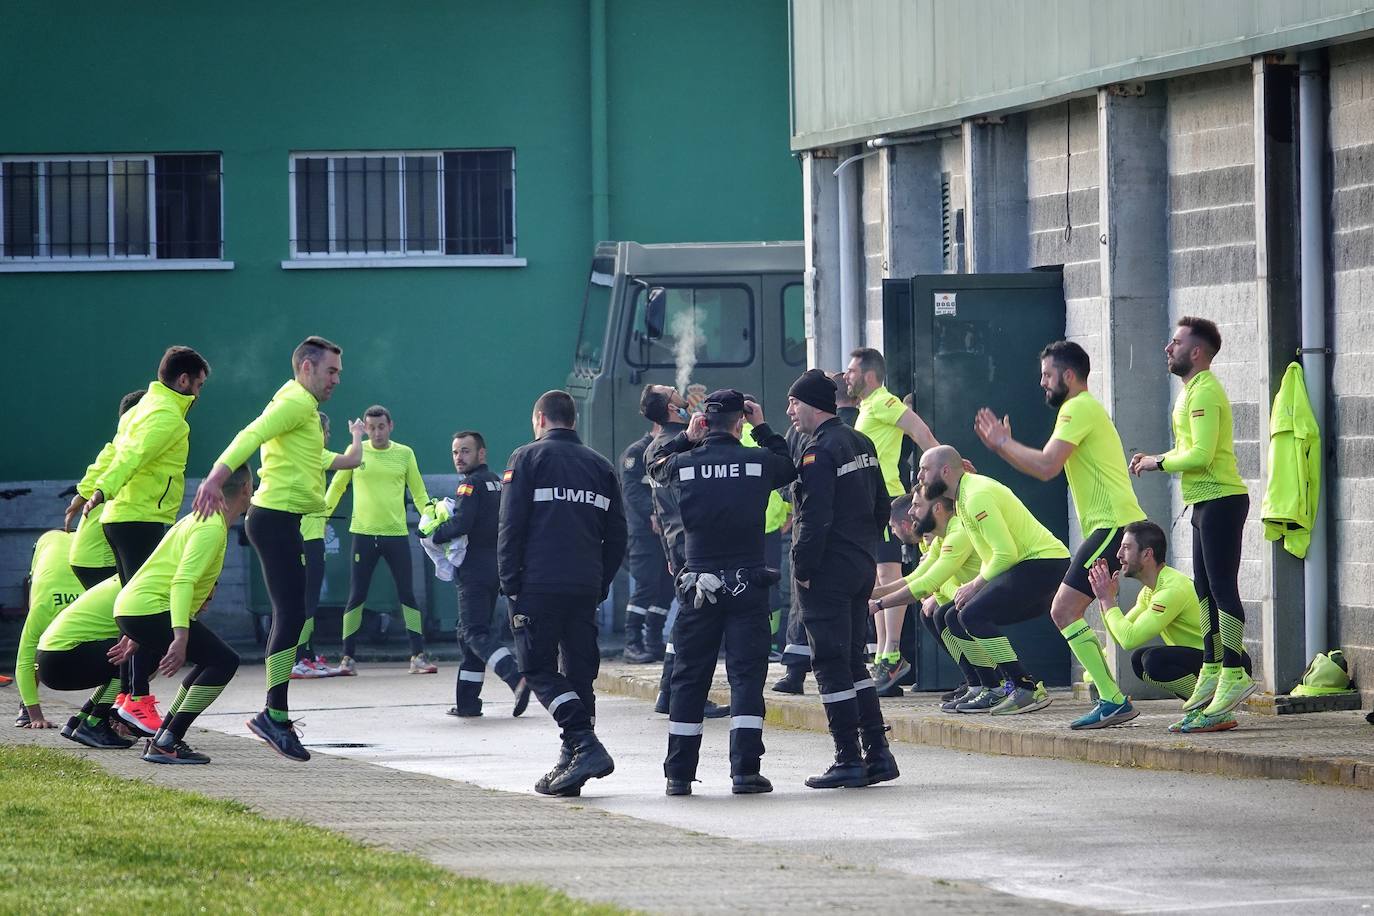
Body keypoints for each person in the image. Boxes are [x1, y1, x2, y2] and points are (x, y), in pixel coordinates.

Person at [974, 340, 1147, 730]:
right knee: (1067, 610)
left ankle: (1114, 699)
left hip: (1113, 524)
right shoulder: (1079, 409)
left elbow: (1047, 465)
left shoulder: (1077, 408)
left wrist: (1003, 444)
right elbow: (1045, 467)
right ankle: (1112, 698)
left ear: (1069, 376)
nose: (1042, 383)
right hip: (1111, 524)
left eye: (1047, 375)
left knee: (1062, 609)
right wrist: (1003, 448)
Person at [194, 335, 344, 762]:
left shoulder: (305, 407)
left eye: (338, 373)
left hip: (283, 520)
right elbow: (251, 434)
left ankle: (275, 714)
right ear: (307, 368)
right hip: (274, 519)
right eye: (330, 371)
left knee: (293, 614)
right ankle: (273, 715)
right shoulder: (296, 402)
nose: (336, 380)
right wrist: (213, 477)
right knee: (291, 614)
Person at [647, 390, 796, 796]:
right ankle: (745, 772)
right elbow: (789, 467)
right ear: (740, 421)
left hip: (699, 585)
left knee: (689, 678)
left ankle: (678, 775)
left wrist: (686, 439)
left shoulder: (685, 463)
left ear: (704, 422)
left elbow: (654, 466)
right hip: (747, 582)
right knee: (746, 677)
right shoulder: (757, 460)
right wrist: (763, 427)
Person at [499, 390, 627, 796]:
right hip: (584, 586)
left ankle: (584, 744)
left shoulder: (526, 459)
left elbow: (511, 526)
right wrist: (600, 581)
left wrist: (510, 585)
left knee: (536, 669)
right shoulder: (601, 466)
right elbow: (619, 535)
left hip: (537, 585)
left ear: (540, 419)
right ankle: (571, 761)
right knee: (578, 675)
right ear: (573, 420)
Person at [82, 347, 211, 737]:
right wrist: (100, 489)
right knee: (149, 612)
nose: (199, 394)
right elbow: (132, 456)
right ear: (183, 380)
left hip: (122, 518)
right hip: (141, 519)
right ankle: (136, 698)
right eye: (199, 385)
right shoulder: (168, 416)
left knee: (132, 612)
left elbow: (113, 450)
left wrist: (89, 488)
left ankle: (123, 700)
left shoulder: (141, 407)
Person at [1130, 317, 1255, 718]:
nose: (1168, 348)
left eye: (1176, 342)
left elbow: (1201, 455)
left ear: (1196, 352)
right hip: (1204, 503)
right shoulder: (1189, 392)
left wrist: (1156, 461)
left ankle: (1233, 672)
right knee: (1204, 591)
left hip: (1223, 500)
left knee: (1221, 590)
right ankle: (1212, 666)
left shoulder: (1204, 392)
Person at [786, 369, 899, 789]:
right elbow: (882, 506)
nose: (790, 411)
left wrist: (803, 569)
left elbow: (814, 517)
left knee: (831, 664)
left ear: (813, 404)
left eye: (794, 403)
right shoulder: (861, 442)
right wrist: (865, 549)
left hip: (828, 571)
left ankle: (847, 757)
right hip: (860, 564)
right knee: (854, 661)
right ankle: (878, 753)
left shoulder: (820, 452)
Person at [110, 464, 254, 763]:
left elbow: (157, 570)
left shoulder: (199, 519)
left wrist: (138, 632)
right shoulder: (210, 527)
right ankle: (167, 740)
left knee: (213, 659)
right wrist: (180, 636)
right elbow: (182, 581)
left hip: (135, 608)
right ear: (245, 489)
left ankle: (165, 737)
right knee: (225, 661)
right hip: (150, 608)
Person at [917, 445, 1070, 714]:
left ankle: (1025, 688)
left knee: (972, 613)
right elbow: (992, 555)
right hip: (1024, 566)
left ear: (944, 471)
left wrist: (975, 584)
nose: (920, 476)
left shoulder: (976, 496)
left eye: (924, 469)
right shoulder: (964, 496)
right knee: (955, 615)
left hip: (1044, 563)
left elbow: (1006, 553)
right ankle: (992, 688)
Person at [1088, 520, 1250, 733]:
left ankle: (1214, 711)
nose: (1118, 554)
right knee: (1140, 661)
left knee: (1153, 660)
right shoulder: (1150, 590)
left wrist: (1108, 601)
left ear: (1147, 554)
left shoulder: (1171, 590)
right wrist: (1105, 600)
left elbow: (1129, 638)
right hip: (1204, 664)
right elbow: (1122, 635)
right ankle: (1206, 710)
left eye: (1126, 548)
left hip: (1228, 663)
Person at [844, 348, 940, 694]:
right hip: (871, 504)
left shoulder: (884, 403)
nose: (847, 376)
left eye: (852, 371)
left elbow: (922, 434)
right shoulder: (868, 406)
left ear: (869, 375)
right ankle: (886, 656)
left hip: (885, 501)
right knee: (877, 575)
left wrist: (943, 480)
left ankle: (892, 654)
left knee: (888, 575)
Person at [639, 384, 729, 719]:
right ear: (672, 411)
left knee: (688, 619)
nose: (682, 394)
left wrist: (668, 554)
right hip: (697, 545)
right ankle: (689, 696)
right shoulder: (685, 448)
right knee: (699, 625)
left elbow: (661, 513)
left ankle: (668, 691)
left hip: (678, 544)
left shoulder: (655, 448)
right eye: (676, 394)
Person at [326, 405, 436, 675]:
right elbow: (338, 486)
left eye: (381, 427)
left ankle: (418, 656)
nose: (376, 433)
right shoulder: (356, 452)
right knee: (356, 596)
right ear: (364, 428)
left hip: (396, 534)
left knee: (406, 594)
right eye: (371, 427)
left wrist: (432, 519)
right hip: (363, 534)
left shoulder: (404, 454)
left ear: (391, 426)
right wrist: (321, 515)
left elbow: (419, 493)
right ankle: (347, 659)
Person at [429, 429, 530, 717]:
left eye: (465, 451)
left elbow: (461, 523)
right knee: (468, 634)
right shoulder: (498, 483)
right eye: (455, 452)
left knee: (475, 632)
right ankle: (468, 704)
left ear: (481, 453)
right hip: (495, 569)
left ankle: (515, 677)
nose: (459, 457)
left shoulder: (470, 485)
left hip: (473, 571)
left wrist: (434, 534)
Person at [868, 489, 982, 703]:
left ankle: (994, 681)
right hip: (962, 594)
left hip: (981, 590)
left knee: (944, 614)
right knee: (935, 614)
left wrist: (879, 604)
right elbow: (918, 579)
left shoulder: (951, 533)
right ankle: (976, 680)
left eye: (917, 507)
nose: (913, 512)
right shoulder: (929, 541)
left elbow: (930, 581)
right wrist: (874, 594)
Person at [292, 411, 364, 679]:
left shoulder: (295, 454)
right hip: (308, 538)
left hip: (305, 535)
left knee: (304, 601)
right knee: (307, 602)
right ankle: (299, 658)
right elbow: (353, 460)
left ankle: (306, 655)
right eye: (327, 431)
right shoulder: (312, 454)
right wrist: (357, 435)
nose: (328, 435)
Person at [34, 577, 134, 750]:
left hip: (51, 660)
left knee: (128, 652)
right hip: (61, 660)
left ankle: (82, 719)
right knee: (138, 652)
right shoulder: (142, 586)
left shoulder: (125, 580)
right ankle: (95, 723)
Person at [66, 389, 146, 588]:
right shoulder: (134, 450)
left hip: (87, 556)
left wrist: (81, 495)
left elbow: (101, 464)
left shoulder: (119, 446)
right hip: (100, 559)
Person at [14, 529, 84, 729]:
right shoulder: (42, 612)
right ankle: (26, 708)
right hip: (47, 546)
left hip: (74, 548)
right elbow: (24, 659)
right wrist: (35, 715)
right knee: (33, 645)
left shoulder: (94, 611)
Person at [619, 422, 671, 664]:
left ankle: (653, 640)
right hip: (643, 533)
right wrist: (653, 513)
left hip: (668, 532)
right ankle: (632, 643)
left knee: (667, 587)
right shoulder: (635, 453)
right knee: (646, 586)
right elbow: (631, 490)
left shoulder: (671, 449)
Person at [773, 420, 815, 695]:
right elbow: (783, 475)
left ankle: (796, 672)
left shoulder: (843, 435)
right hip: (808, 526)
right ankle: (796, 670)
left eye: (795, 404)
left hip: (811, 527)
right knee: (800, 599)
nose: (789, 412)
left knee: (802, 600)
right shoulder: (796, 433)